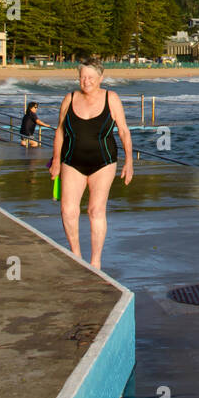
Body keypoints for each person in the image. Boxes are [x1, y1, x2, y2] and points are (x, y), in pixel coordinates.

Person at [50, 58, 133, 269]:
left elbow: (123, 131)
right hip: (71, 160)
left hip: (103, 162)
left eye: (91, 77)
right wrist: (56, 161)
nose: (86, 81)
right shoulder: (69, 98)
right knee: (68, 211)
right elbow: (60, 131)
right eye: (82, 77)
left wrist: (129, 162)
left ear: (100, 78)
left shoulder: (111, 98)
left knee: (96, 211)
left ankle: (95, 262)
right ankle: (76, 256)